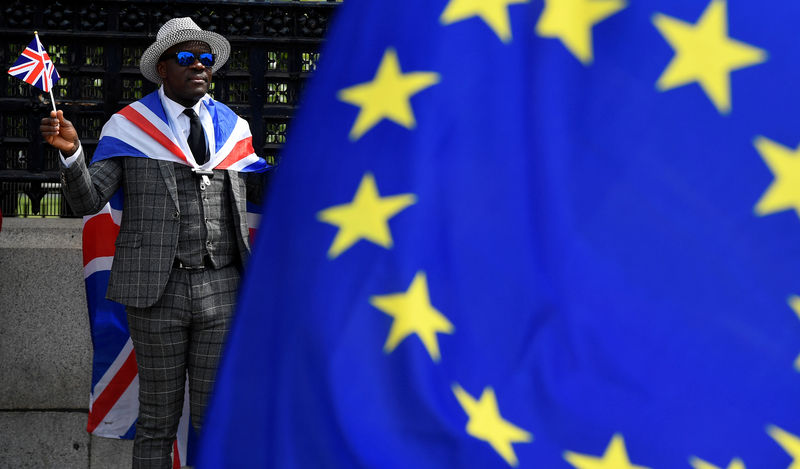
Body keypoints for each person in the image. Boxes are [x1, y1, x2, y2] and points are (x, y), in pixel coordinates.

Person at [40, 17, 266, 468]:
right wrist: (71, 153)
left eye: (206, 59)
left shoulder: (233, 129)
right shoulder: (130, 126)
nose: (199, 66)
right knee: (158, 423)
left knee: (214, 418)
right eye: (187, 57)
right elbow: (88, 199)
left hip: (222, 289)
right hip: (155, 294)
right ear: (162, 68)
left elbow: (267, 193)